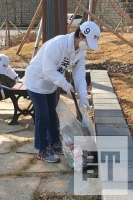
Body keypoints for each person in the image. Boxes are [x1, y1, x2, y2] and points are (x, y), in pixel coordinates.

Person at [24, 21, 101, 163]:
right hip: (36, 80)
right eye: (88, 42)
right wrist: (65, 85)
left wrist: (83, 96)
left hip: (51, 83)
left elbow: (79, 75)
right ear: (80, 35)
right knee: (43, 116)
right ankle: (42, 150)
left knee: (53, 114)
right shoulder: (58, 44)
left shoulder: (80, 51)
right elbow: (48, 69)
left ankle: (54, 142)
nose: (88, 47)